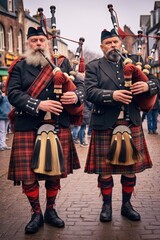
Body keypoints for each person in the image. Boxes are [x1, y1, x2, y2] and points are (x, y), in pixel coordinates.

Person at [7, 26, 84, 234]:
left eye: (42, 40)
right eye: (34, 41)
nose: (38, 44)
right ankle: (36, 213)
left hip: (58, 124)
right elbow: (13, 94)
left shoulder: (63, 63)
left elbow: (80, 87)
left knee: (53, 172)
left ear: (48, 43)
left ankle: (50, 210)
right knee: (28, 175)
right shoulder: (19, 66)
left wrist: (75, 96)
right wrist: (38, 105)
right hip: (28, 125)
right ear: (28, 44)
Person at [84, 29, 160, 222]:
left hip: (130, 121)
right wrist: (112, 95)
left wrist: (148, 86)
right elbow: (90, 92)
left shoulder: (135, 62)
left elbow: (156, 82)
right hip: (105, 124)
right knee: (104, 171)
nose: (113, 46)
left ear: (121, 44)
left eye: (115, 42)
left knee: (130, 169)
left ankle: (127, 205)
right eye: (108, 43)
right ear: (102, 47)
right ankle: (106, 206)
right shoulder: (94, 66)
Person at [0, 81, 11, 151]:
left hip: (7, 115)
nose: (5, 88)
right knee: (2, 131)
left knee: (5, 131)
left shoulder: (7, 94)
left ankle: (4, 144)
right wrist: (1, 96)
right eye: (4, 87)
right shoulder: (1, 94)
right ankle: (1, 145)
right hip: (1, 115)